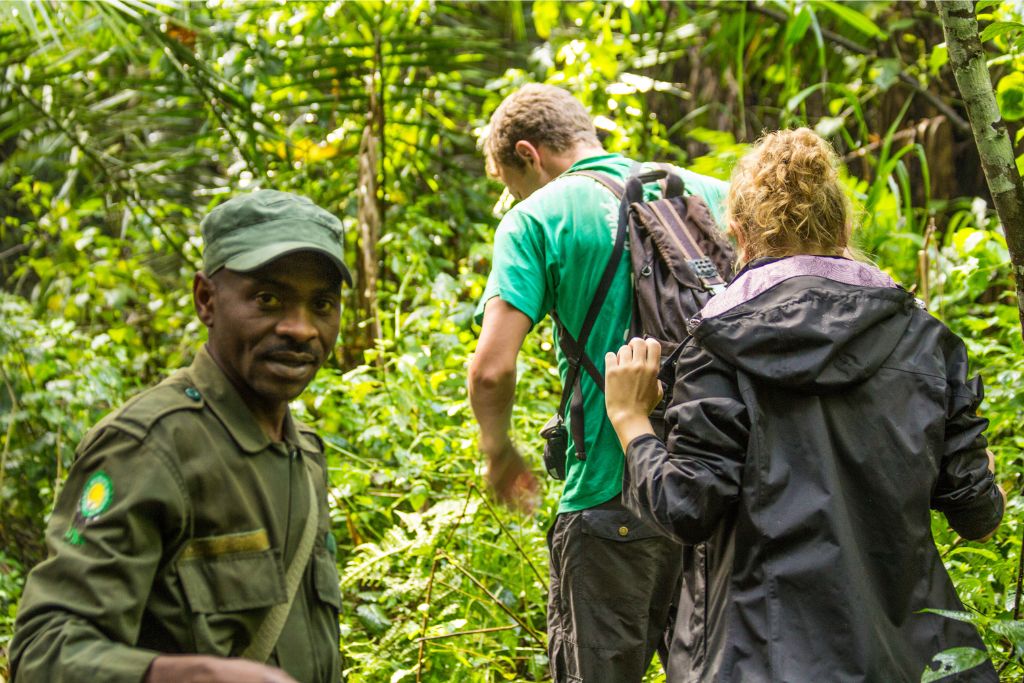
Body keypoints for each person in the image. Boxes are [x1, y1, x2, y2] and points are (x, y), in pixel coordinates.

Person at [604, 128, 1006, 681]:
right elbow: (978, 514)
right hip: (913, 659)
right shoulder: (928, 343)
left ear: (739, 237)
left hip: (756, 658)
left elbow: (687, 507)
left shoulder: (716, 350)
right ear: (843, 228)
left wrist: (629, 419)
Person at [10, 190, 351, 683]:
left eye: (321, 304)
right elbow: (45, 650)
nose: (301, 328)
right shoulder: (146, 446)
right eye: (268, 299)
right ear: (206, 300)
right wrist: (192, 676)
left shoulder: (304, 453)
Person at [467, 83, 729, 682]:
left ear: (528, 155)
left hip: (614, 496)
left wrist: (499, 450)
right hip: (719, 488)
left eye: (513, 182)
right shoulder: (708, 193)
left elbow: (490, 370)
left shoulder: (536, 216)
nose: (517, 196)